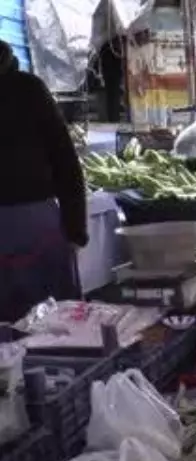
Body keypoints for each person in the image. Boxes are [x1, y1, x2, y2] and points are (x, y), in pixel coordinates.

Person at [0, 39, 87, 323]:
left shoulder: (29, 89)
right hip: (36, 222)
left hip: (34, 224)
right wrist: (75, 229)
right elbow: (65, 159)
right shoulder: (30, 89)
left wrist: (75, 229)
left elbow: (64, 159)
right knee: (57, 322)